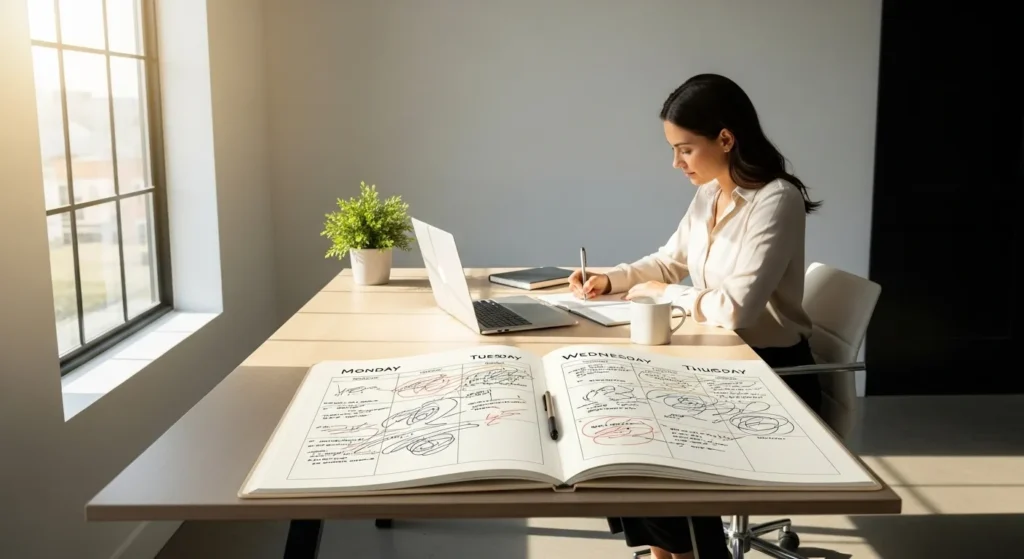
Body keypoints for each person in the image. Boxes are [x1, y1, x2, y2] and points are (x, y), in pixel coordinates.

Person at [568, 73, 823, 559]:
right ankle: (667, 553)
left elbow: (736, 308)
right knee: (624, 418)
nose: (676, 163)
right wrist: (614, 278)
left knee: (657, 431)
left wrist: (666, 294)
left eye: (685, 149)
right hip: (720, 364)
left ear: (725, 139)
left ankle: (690, 555)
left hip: (774, 376)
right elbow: (669, 261)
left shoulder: (776, 200)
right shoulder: (709, 191)